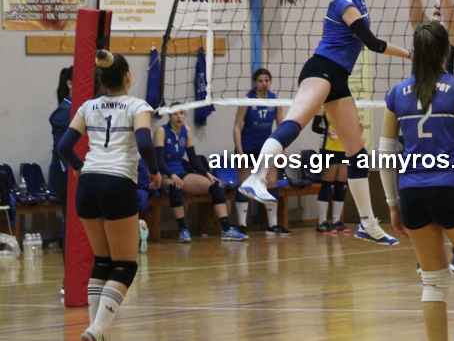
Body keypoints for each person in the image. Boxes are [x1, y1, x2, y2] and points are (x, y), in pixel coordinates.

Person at [239, 0, 412, 246]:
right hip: (321, 69)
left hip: (338, 79)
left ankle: (367, 223)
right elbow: (373, 43)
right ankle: (257, 178)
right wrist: (410, 54)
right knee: (294, 123)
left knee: (357, 153)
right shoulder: (344, 3)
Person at [379, 21, 454, 341]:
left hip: (412, 195)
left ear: (416, 52)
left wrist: (392, 204)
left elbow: (385, 154)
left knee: (434, 283)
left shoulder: (396, 94)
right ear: (447, 51)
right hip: (449, 190)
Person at [57, 50, 162, 341]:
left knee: (102, 261)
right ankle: (98, 328)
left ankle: (95, 329)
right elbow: (145, 142)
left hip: (88, 185)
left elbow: (64, 147)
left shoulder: (87, 106)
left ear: (102, 80)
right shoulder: (137, 106)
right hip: (117, 184)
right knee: (125, 265)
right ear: (128, 77)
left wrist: (78, 167)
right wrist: (155, 172)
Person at [407, 0, 454, 274]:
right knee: (423, 186)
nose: (436, 12)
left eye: (441, 12)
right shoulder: (422, 35)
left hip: (449, 118)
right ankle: (427, 256)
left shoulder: (451, 37)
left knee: (452, 186)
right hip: (418, 114)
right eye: (433, 12)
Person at [155, 107, 248, 242]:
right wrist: (171, 175)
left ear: (185, 116)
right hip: (165, 175)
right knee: (175, 189)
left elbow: (193, 159)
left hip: (182, 173)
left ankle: (227, 229)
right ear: (169, 116)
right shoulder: (161, 131)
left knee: (216, 186)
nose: (179, 116)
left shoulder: (186, 130)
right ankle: (183, 230)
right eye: (175, 114)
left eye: (182, 113)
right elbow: (159, 161)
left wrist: (207, 174)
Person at [232, 68, 291, 236]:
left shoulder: (275, 99)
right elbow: (237, 127)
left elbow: (281, 126)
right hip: (248, 147)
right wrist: (240, 152)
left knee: (271, 183)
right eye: (260, 80)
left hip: (268, 148)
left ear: (270, 82)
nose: (264, 83)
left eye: (266, 80)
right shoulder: (247, 100)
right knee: (244, 185)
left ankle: (273, 225)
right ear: (255, 82)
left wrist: (282, 150)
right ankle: (242, 225)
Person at [49, 66, 72, 291]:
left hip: (75, 172)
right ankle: (70, 279)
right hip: (65, 173)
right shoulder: (63, 112)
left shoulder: (83, 108)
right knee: (72, 222)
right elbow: (62, 150)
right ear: (70, 84)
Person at [311, 107, 350, 234]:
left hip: (343, 148)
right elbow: (314, 127)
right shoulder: (323, 107)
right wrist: (326, 131)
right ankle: (322, 222)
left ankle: (336, 221)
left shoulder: (346, 106)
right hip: (328, 148)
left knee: (341, 187)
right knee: (327, 186)